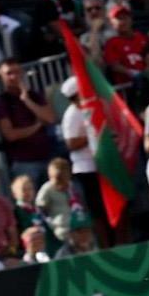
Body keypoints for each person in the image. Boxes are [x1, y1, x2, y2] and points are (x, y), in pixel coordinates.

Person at [0, 58, 61, 184]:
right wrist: (37, 125)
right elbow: (10, 135)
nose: (14, 77)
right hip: (24, 162)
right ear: (1, 76)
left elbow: (50, 118)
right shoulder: (1, 102)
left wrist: (27, 100)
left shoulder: (34, 95)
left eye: (17, 72)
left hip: (47, 157)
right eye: (9, 73)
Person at [59, 78, 110, 249]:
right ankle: (104, 246)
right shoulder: (71, 116)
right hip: (86, 169)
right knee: (97, 211)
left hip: (104, 164)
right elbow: (71, 143)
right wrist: (92, 133)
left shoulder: (94, 107)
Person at [36, 156, 95, 256]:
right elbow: (40, 208)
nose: (60, 184)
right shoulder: (47, 189)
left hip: (78, 224)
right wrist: (50, 222)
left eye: (62, 180)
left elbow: (82, 204)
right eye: (56, 180)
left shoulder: (74, 187)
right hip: (61, 228)